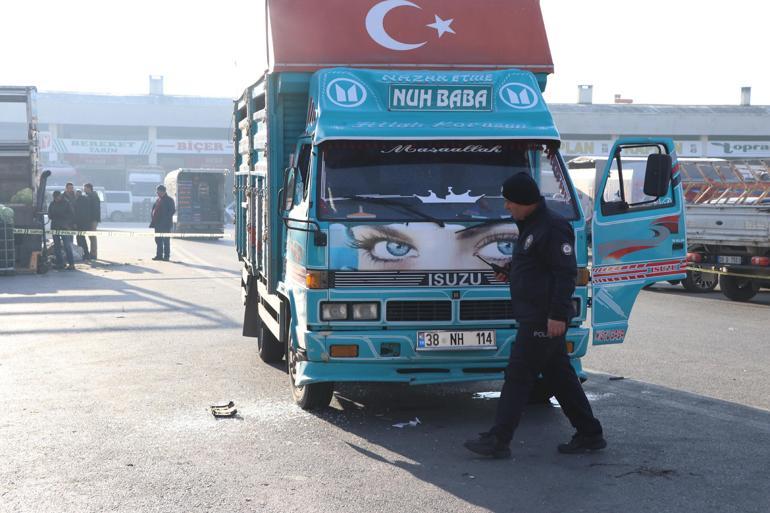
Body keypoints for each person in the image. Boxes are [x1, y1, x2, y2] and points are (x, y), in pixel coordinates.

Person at [464, 172, 605, 458]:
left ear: (524, 201)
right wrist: (511, 271)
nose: (506, 207)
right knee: (561, 378)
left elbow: (564, 273)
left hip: (543, 317)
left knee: (518, 375)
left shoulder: (552, 227)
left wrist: (556, 315)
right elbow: (537, 267)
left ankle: (499, 440)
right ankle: (590, 433)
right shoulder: (531, 226)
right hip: (534, 313)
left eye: (509, 202)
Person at [48, 190, 76, 271]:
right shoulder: (52, 203)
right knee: (57, 247)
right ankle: (60, 263)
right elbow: (49, 214)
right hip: (55, 227)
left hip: (64, 227)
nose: (57, 199)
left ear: (60, 196)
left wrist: (63, 218)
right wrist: (52, 216)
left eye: (58, 197)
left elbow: (71, 214)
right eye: (55, 198)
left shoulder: (66, 203)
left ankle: (71, 264)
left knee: (67, 246)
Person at [150, 184, 175, 261]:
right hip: (157, 224)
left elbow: (172, 211)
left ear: (163, 191)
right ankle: (159, 255)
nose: (157, 193)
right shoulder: (158, 200)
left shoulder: (169, 200)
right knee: (158, 240)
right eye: (157, 192)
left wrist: (165, 220)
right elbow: (154, 210)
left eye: (158, 192)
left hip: (165, 225)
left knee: (166, 241)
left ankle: (166, 256)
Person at [73, 190, 92, 260]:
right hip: (84, 223)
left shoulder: (78, 202)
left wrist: (75, 223)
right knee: (81, 238)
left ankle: (84, 254)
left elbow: (77, 213)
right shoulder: (85, 201)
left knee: (80, 239)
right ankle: (85, 254)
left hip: (79, 224)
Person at [83, 183, 101, 259]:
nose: (84, 189)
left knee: (92, 237)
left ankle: (93, 254)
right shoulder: (90, 196)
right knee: (91, 236)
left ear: (89, 188)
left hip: (93, 220)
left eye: (85, 188)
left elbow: (95, 210)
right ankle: (92, 253)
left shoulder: (93, 196)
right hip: (90, 219)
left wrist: (93, 219)